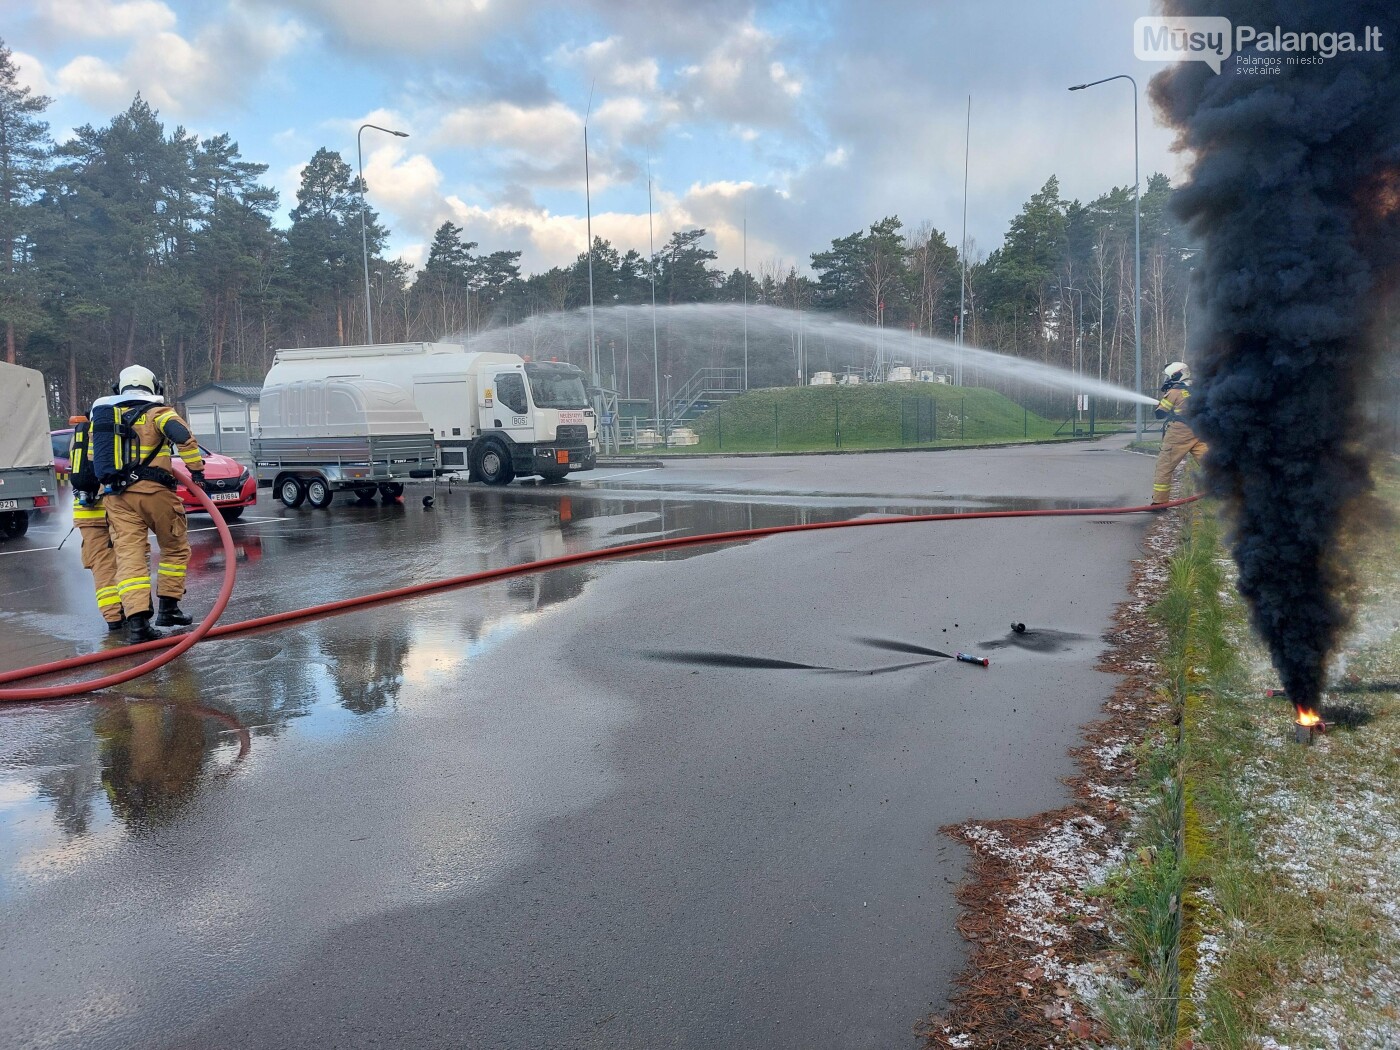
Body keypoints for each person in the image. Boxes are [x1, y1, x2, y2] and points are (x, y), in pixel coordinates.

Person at [89, 365, 206, 644]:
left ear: (119, 388)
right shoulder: (159, 413)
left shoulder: (104, 418)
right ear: (155, 387)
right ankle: (168, 608)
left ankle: (138, 625)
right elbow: (184, 438)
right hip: (155, 492)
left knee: (130, 557)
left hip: (117, 498)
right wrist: (197, 471)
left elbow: (94, 460)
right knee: (174, 546)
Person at [67, 415, 125, 633]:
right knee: (130, 561)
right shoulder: (115, 433)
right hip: (116, 512)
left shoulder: (79, 437)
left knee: (102, 567)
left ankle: (113, 616)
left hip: (87, 513)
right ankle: (126, 614)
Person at [1151, 361, 1207, 505]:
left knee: (1164, 466)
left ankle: (1160, 502)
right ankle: (1231, 490)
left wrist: (1160, 405)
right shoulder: (1199, 388)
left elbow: (1160, 414)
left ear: (1176, 375)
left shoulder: (1174, 392)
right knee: (1210, 462)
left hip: (1178, 434)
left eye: (1168, 376)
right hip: (1200, 431)